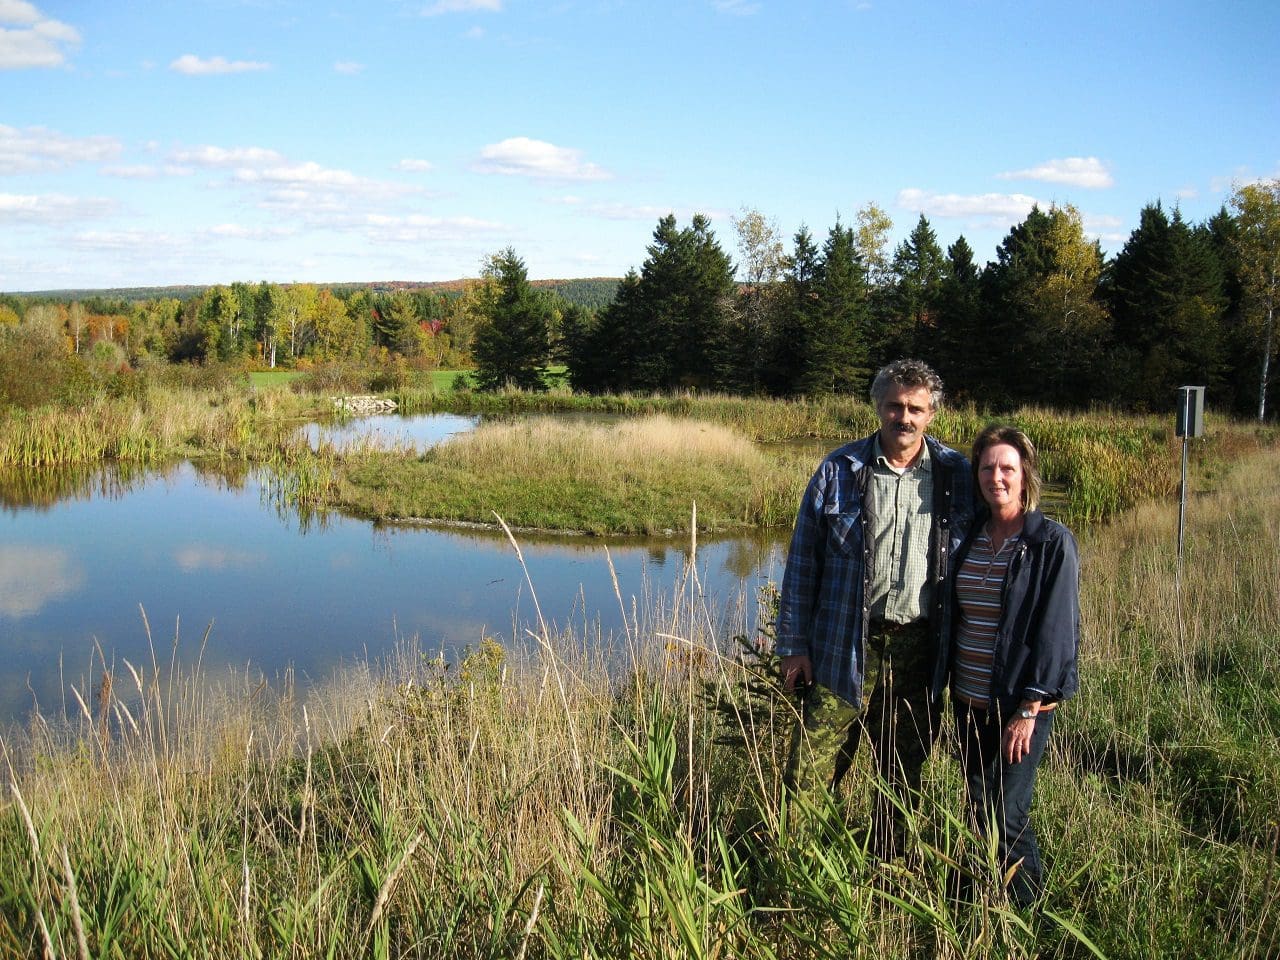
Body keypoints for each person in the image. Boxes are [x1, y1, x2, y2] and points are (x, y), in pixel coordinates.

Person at [776, 359, 973, 855]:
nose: (903, 417)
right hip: (843, 647)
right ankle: (797, 866)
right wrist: (794, 645)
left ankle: (886, 867)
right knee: (811, 769)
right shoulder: (839, 471)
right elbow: (803, 563)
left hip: (919, 652)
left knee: (902, 772)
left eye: (915, 409)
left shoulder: (957, 476)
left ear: (931, 415)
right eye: (894, 406)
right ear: (878, 407)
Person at [948, 424, 1079, 907]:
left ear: (1025, 476)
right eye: (986, 467)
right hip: (967, 702)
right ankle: (973, 903)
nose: (996, 477)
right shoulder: (968, 538)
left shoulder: (1050, 543)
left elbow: (1057, 631)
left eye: (1007, 468)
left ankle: (1029, 916)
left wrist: (1029, 706)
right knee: (979, 808)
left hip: (1017, 708)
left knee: (1008, 814)